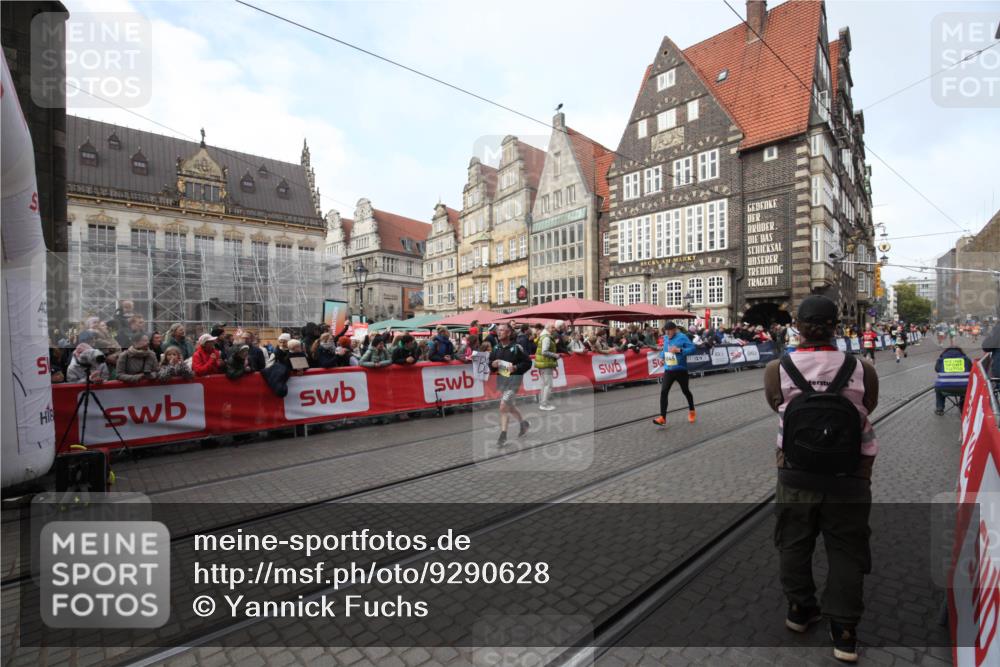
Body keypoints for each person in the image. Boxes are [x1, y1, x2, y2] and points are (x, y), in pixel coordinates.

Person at [763, 295, 879, 664]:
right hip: (850, 473)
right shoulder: (862, 368)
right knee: (846, 549)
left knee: (793, 543)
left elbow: (775, 404)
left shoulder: (778, 368)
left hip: (796, 471)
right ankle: (844, 631)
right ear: (836, 327)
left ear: (797, 327)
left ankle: (800, 610)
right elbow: (868, 407)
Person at [489, 323, 532, 446]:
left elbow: (528, 363)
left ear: (508, 333)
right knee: (510, 406)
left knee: (503, 406)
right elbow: (490, 364)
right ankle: (524, 424)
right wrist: (493, 365)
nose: (499, 332)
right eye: (498, 330)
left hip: (514, 382)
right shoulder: (496, 348)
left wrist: (516, 367)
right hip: (502, 381)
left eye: (502, 330)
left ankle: (503, 435)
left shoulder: (516, 348)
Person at [652, 321, 697, 427]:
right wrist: (663, 358)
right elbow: (664, 349)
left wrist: (679, 350)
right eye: (666, 331)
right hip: (669, 369)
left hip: (681, 369)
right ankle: (662, 418)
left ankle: (692, 410)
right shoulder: (666, 338)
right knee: (664, 391)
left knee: (685, 391)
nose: (667, 333)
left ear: (675, 329)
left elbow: (693, 349)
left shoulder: (683, 337)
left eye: (669, 331)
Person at [934, 347, 972, 415]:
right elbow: (971, 369)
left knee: (938, 389)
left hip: (944, 388)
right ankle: (963, 408)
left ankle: (939, 409)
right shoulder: (966, 359)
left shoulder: (941, 359)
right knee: (966, 387)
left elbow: (937, 369)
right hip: (963, 389)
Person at [535, 322, 559, 411]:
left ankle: (543, 403)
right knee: (548, 385)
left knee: (544, 384)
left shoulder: (543, 336)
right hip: (546, 363)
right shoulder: (546, 338)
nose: (554, 329)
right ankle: (544, 404)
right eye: (552, 327)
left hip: (543, 363)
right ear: (548, 328)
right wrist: (555, 355)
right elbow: (544, 352)